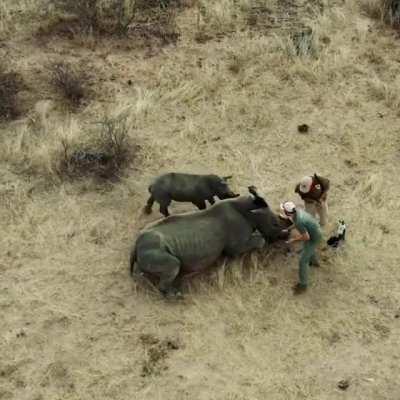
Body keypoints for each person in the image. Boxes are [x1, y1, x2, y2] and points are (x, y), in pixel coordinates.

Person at [280, 201, 322, 295]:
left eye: (284, 211)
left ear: (287, 213)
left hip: (314, 237)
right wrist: (288, 229)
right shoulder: (297, 212)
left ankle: (303, 285)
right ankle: (314, 262)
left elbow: (306, 237)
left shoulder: (299, 221)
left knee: (302, 261)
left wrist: (293, 240)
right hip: (315, 230)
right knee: (309, 248)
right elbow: (296, 223)